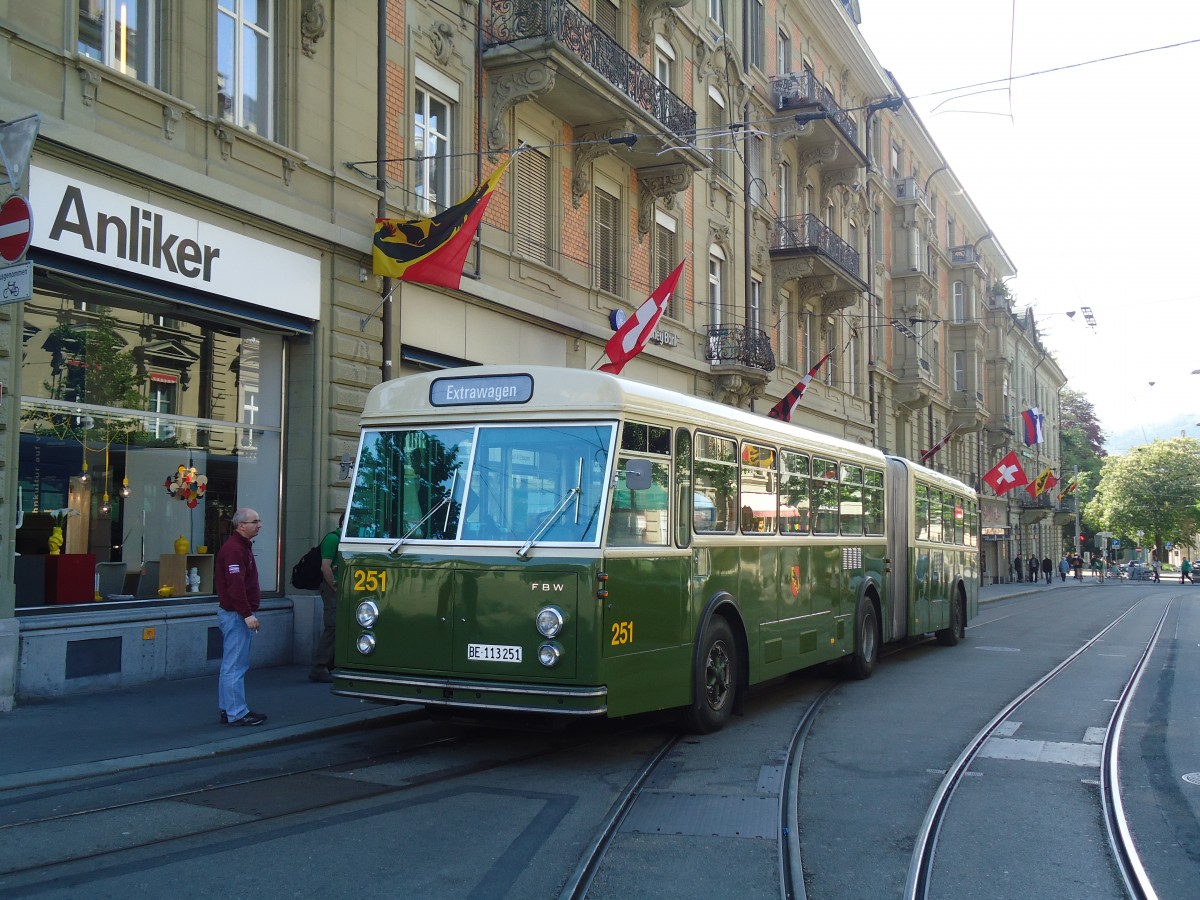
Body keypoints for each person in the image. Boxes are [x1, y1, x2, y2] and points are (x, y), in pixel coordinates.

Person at [216, 508, 267, 726]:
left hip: (235, 613)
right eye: (255, 521)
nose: (259, 524)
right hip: (236, 615)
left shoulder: (239, 547)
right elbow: (235, 586)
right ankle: (236, 712)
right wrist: (247, 614)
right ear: (241, 525)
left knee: (231, 665)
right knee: (235, 666)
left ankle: (228, 709)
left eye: (259, 520)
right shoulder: (235, 550)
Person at [309, 513, 344, 683]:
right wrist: (335, 587)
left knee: (337, 626)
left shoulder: (341, 539)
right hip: (332, 589)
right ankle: (319, 667)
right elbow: (326, 567)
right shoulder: (332, 539)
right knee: (332, 626)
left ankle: (329, 665)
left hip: (337, 588)